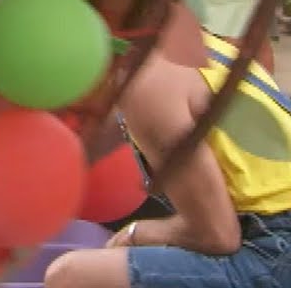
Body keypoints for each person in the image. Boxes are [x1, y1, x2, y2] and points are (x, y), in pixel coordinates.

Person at [45, 33, 291, 288]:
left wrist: (136, 233)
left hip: (275, 245)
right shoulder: (183, 42)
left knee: (70, 276)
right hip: (271, 223)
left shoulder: (145, 83)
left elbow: (218, 236)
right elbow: (110, 132)